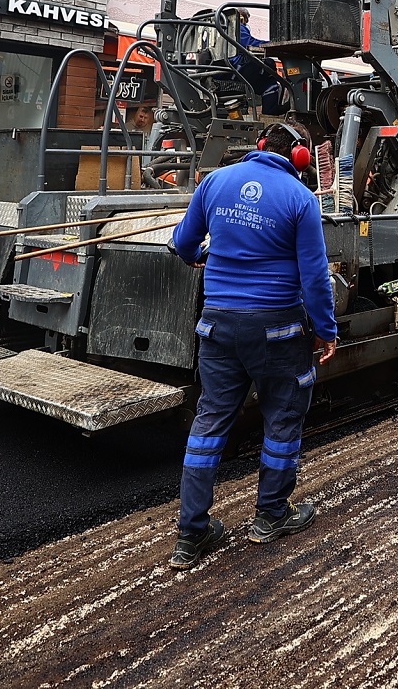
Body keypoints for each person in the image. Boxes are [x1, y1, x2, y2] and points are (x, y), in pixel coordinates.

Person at [167, 121, 338, 568]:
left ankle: (191, 535)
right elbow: (315, 277)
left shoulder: (215, 182)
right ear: (299, 157)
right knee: (282, 418)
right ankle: (270, 518)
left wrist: (201, 255)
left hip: (217, 329)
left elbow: (184, 244)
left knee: (209, 424)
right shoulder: (301, 199)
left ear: (260, 146)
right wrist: (326, 329)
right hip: (277, 331)